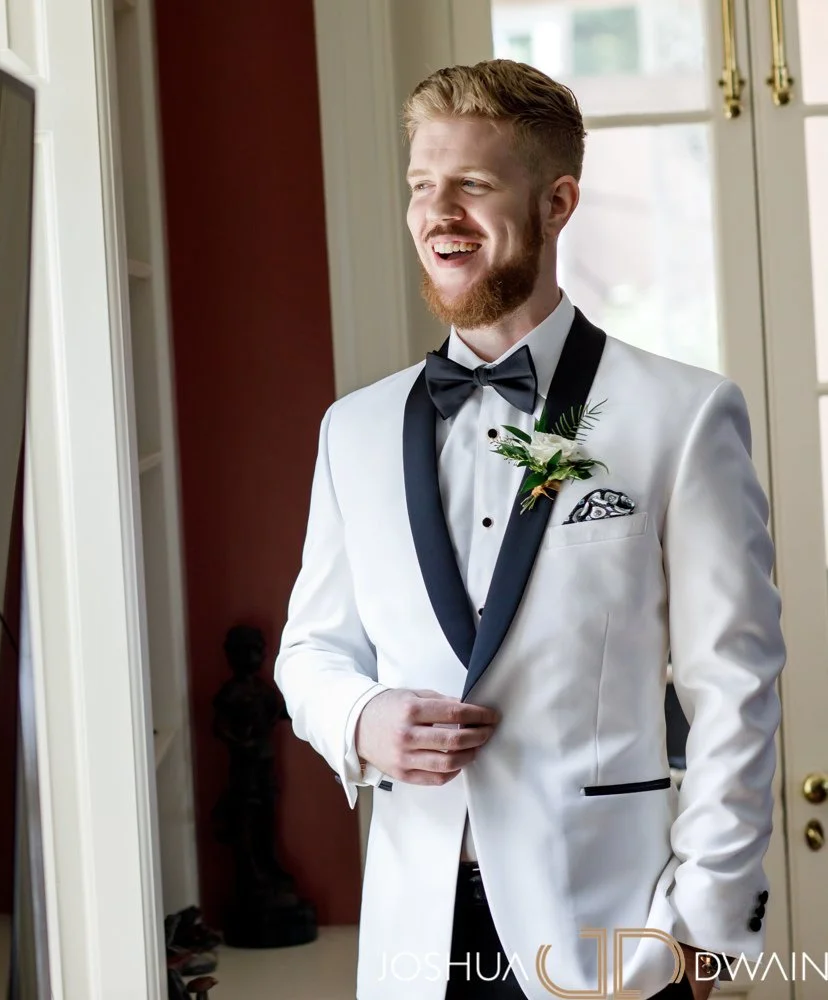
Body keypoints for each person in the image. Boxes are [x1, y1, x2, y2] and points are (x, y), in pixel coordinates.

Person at [274, 59, 784, 1000]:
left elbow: (736, 685)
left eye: (472, 183)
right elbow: (310, 650)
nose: (438, 213)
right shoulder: (354, 430)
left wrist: (707, 933)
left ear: (558, 203)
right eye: (422, 185)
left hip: (613, 940)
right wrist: (360, 718)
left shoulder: (683, 416)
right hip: (414, 944)